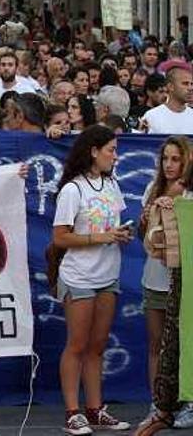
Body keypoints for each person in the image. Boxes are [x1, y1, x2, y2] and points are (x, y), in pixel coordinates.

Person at [52, 125, 132, 435]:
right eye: (111, 149)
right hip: (80, 276)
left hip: (108, 274)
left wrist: (121, 234)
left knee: (97, 346)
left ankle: (95, 409)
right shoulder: (73, 190)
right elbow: (60, 238)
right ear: (94, 151)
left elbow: (113, 226)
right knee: (77, 345)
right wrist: (102, 237)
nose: (115, 155)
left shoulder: (112, 184)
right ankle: (73, 412)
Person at [135, 137, 191, 422]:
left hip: (186, 281)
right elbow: (141, 237)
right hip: (156, 279)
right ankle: (158, 404)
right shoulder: (151, 188)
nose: (169, 165)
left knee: (186, 344)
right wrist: (145, 219)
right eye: (165, 159)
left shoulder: (191, 193)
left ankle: (187, 403)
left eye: (175, 159)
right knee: (157, 344)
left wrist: (177, 210)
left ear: (186, 161)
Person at [141, 66, 193, 134]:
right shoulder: (151, 116)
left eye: (192, 84)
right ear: (171, 87)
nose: (190, 88)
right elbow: (140, 143)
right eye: (185, 84)